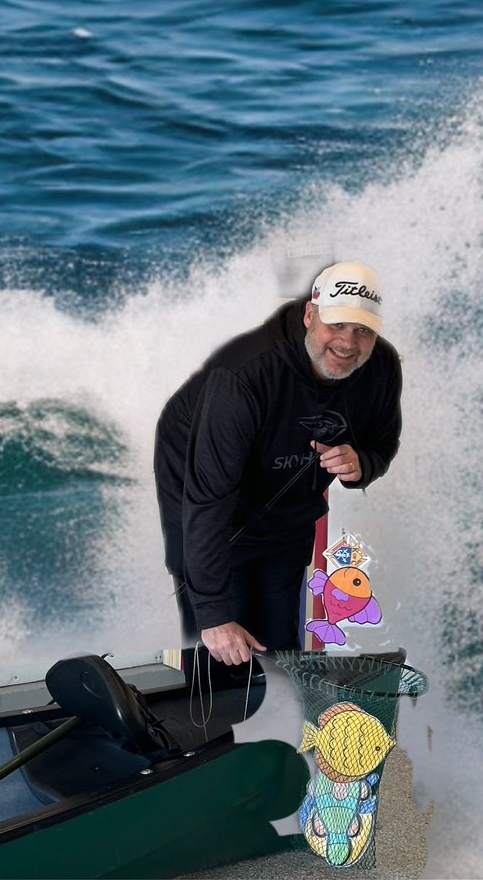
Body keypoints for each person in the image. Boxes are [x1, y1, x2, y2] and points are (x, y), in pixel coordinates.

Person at [153, 261, 403, 667]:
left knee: (278, 641)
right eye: (336, 325)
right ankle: (213, 714)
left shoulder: (382, 367)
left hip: (287, 503)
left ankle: (281, 718)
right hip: (206, 489)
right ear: (310, 314)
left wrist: (364, 463)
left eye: (362, 330)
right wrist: (214, 614)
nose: (347, 343)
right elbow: (207, 499)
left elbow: (382, 441)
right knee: (222, 640)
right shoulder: (243, 377)